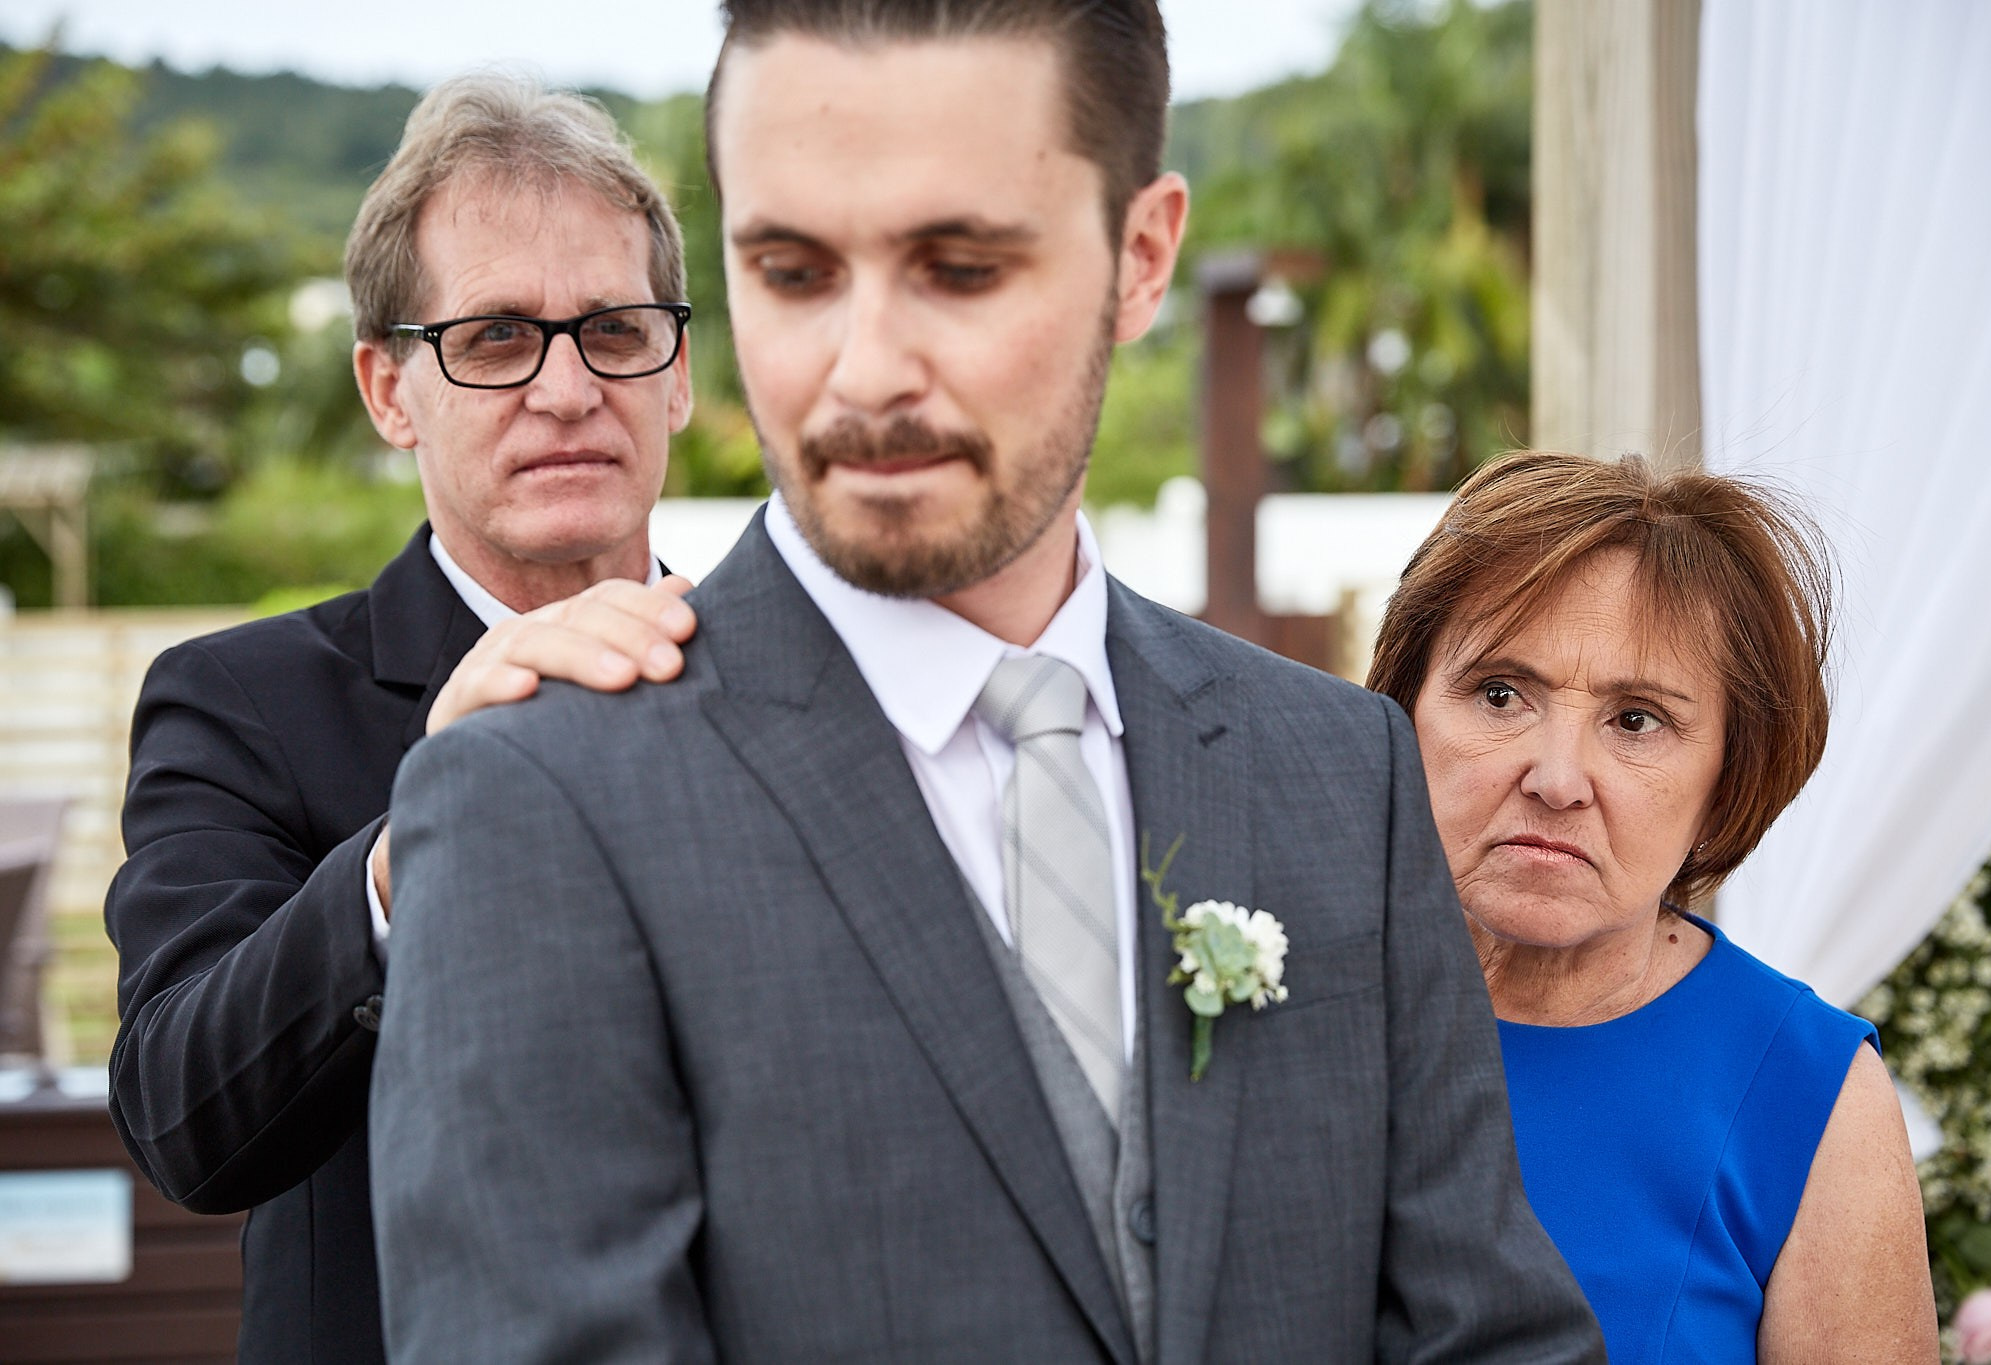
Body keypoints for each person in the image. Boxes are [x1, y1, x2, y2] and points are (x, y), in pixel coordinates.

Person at [368, 3, 1606, 1361]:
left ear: (1140, 259)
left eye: (958, 269)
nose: (865, 372)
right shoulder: (535, 804)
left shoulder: (1340, 770)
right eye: (791, 272)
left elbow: (1489, 1333)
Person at [103, 74, 701, 1363]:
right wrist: (413, 834)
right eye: (494, 337)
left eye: (614, 329)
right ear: (386, 391)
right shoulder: (243, 705)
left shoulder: (783, 682)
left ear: (679, 376)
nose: (566, 389)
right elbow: (184, 1119)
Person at [1366, 450, 1939, 1363]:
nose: (1557, 779)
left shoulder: (1808, 1096)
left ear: (1728, 779)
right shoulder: (1280, 997)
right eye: (1501, 693)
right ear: (1401, 710)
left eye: (1636, 719)